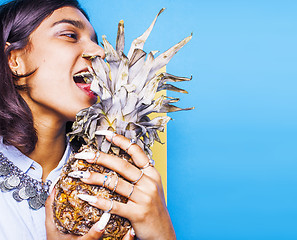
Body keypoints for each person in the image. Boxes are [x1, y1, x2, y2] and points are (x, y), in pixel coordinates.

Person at [0, 0, 176, 239]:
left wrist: (162, 233)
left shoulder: (117, 182)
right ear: (15, 60)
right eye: (70, 35)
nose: (99, 52)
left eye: (93, 40)